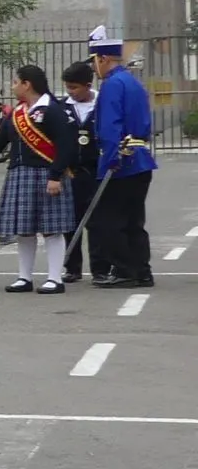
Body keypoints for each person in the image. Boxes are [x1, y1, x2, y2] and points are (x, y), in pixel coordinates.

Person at [0, 62, 86, 295]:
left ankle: (54, 278)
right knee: (24, 229)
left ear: (27, 84)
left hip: (47, 174)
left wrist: (56, 176)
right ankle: (24, 277)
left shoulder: (54, 110)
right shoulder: (18, 113)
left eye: (15, 82)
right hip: (20, 174)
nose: (13, 86)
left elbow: (66, 147)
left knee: (52, 228)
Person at [86, 27, 156, 287]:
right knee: (133, 221)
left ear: (103, 58)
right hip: (140, 159)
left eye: (94, 62)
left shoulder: (112, 85)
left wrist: (110, 160)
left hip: (121, 160)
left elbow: (109, 127)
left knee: (109, 220)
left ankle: (125, 270)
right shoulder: (132, 82)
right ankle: (141, 270)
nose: (94, 69)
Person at [58, 61, 102, 282]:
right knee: (70, 220)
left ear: (88, 84)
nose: (71, 92)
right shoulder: (61, 107)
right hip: (70, 171)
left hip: (96, 170)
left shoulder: (102, 104)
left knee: (97, 221)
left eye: (75, 88)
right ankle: (72, 268)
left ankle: (100, 268)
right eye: (68, 88)